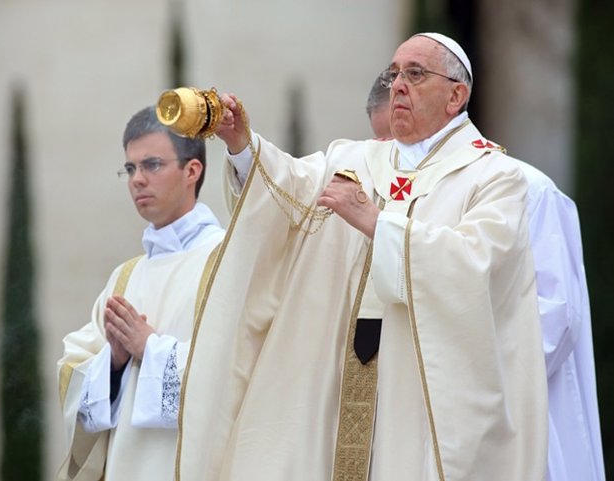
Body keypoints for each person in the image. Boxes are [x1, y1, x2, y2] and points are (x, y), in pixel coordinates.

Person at [176, 33, 548, 481]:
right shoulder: (353, 158)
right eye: (394, 75)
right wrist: (242, 145)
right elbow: (287, 194)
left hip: (414, 390)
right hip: (332, 373)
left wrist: (376, 222)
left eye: (415, 74)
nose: (398, 86)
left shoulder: (494, 177)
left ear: (456, 95)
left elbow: (476, 266)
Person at [365, 71, 606, 481]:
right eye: (382, 144)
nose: (392, 157)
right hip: (417, 413)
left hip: (508, 414)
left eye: (395, 141)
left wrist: (450, 361)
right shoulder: (395, 196)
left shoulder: (527, 187)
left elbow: (555, 316)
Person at [56, 106, 225, 481]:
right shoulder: (126, 277)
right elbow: (73, 373)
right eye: (131, 169)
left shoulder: (227, 262)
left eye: (152, 165)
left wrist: (150, 348)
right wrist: (112, 363)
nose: (137, 180)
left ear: (192, 171)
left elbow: (241, 371)